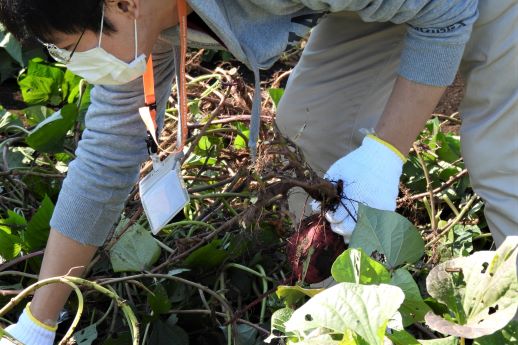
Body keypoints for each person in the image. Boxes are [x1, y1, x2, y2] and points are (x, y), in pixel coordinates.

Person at [0, 0, 516, 344]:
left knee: (499, 157)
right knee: (312, 124)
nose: (69, 63)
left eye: (68, 48)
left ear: (123, 3)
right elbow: (103, 161)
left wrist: (386, 152)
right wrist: (39, 320)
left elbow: (448, 12)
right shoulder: (141, 24)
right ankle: (356, 296)